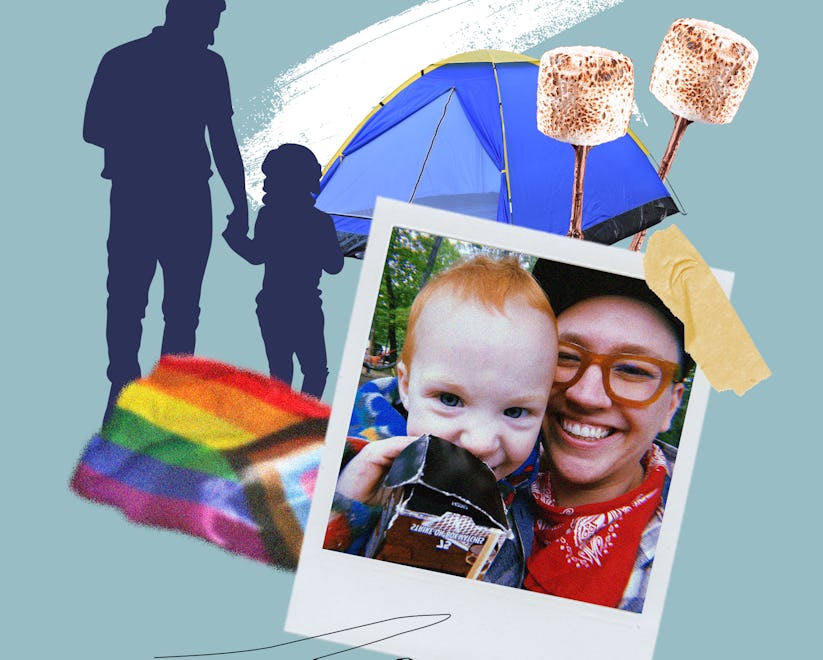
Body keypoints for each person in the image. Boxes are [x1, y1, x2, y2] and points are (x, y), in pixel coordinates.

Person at [324, 255, 559, 587]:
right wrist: (347, 504)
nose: (479, 442)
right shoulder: (346, 453)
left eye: (516, 411)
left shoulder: (533, 485)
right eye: (450, 400)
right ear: (406, 387)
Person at [83, 0, 248, 421]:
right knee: (149, 302)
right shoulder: (134, 59)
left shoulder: (129, 58)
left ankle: (148, 390)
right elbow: (92, 127)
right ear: (186, 14)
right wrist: (238, 204)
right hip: (164, 195)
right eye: (211, 20)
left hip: (161, 196)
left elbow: (224, 139)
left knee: (146, 301)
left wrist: (239, 201)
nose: (214, 30)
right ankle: (133, 388)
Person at [526, 258, 691, 612]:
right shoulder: (482, 464)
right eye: (565, 356)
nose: (586, 395)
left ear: (670, 407)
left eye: (631, 370)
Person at [223, 144, 344, 398]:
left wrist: (233, 236)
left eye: (270, 178)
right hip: (305, 307)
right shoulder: (320, 221)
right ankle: (303, 423)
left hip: (273, 306)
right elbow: (335, 266)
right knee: (315, 371)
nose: (265, 185)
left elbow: (256, 256)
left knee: (280, 373)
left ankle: (283, 423)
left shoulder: (269, 215)